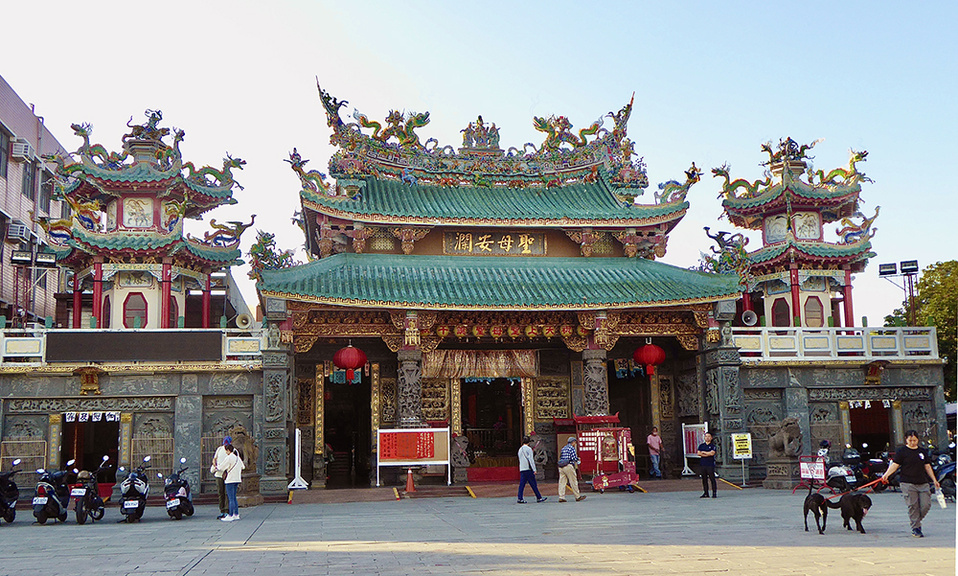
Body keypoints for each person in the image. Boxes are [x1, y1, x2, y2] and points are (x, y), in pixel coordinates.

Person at [881, 429, 941, 537]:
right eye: (910, 440)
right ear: (906, 440)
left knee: (925, 505)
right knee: (913, 506)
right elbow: (895, 465)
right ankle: (916, 528)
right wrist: (886, 474)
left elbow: (927, 466)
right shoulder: (902, 452)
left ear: (917, 439)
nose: (912, 442)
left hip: (923, 482)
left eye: (914, 440)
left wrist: (934, 480)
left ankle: (916, 521)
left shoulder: (922, 452)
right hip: (908, 483)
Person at [216, 443, 245, 521]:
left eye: (226, 451)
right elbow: (243, 466)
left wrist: (216, 467)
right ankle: (236, 514)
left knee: (230, 498)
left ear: (228, 450)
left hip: (230, 480)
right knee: (234, 498)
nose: (226, 452)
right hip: (237, 479)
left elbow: (221, 467)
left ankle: (230, 515)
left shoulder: (229, 458)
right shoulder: (237, 458)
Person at [517, 435, 547, 504]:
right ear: (529, 442)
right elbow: (531, 460)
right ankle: (539, 497)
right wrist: (534, 469)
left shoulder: (520, 449)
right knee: (533, 484)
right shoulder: (528, 449)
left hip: (522, 468)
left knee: (522, 484)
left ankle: (520, 498)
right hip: (528, 469)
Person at [557, 437, 586, 503]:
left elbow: (561, 456)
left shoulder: (563, 448)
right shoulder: (571, 448)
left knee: (562, 482)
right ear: (573, 442)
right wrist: (578, 459)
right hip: (568, 466)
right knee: (573, 481)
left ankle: (561, 497)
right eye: (575, 442)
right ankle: (577, 496)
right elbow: (573, 458)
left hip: (561, 466)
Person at [210, 435, 231, 519]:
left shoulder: (233, 450)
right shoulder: (219, 449)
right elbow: (214, 459)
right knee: (221, 493)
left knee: (226, 493)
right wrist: (215, 464)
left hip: (228, 474)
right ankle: (222, 510)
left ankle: (226, 510)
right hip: (219, 474)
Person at [697, 432, 717, 498]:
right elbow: (699, 453)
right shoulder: (701, 445)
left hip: (710, 464)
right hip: (703, 464)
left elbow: (712, 453)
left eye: (709, 436)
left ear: (711, 438)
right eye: (706, 436)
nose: (707, 438)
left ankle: (714, 492)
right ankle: (706, 493)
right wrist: (707, 453)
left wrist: (704, 453)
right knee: (704, 479)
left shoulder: (713, 446)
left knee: (712, 479)